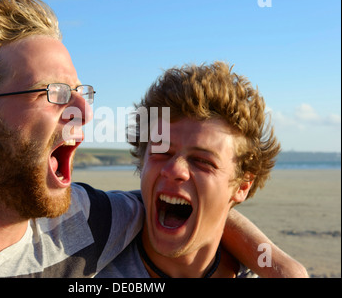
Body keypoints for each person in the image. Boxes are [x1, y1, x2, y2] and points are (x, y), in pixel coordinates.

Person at [0, 0, 306, 278]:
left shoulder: (90, 221)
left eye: (80, 92)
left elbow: (201, 206)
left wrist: (279, 264)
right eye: (54, 92)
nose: (83, 112)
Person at [97, 62, 309, 278]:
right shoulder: (86, 262)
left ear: (243, 186)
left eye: (202, 161)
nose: (174, 169)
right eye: (162, 153)